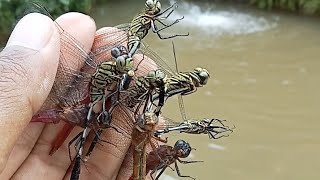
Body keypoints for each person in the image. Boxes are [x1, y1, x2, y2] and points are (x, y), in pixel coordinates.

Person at [0, 12, 155, 180]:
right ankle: (74, 153)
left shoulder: (113, 70)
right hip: (87, 100)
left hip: (90, 102)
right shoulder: (107, 71)